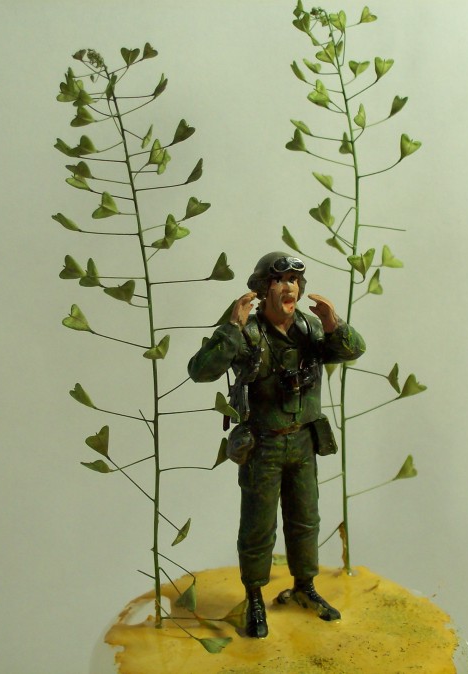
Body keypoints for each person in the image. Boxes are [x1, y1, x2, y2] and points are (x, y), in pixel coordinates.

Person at [187, 251, 366, 638]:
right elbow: (200, 371)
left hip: (302, 442)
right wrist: (231, 329)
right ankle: (254, 597)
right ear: (262, 289)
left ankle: (305, 586)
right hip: (262, 446)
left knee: (306, 520)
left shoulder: (310, 329)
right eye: (280, 281)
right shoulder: (248, 333)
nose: (290, 288)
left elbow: (353, 350)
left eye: (295, 281)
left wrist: (334, 324)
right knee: (258, 527)